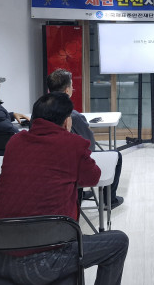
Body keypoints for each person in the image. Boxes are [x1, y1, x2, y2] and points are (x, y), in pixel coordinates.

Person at [0, 92, 128, 285]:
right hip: (43, 261)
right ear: (66, 121)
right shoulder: (72, 144)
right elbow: (93, 177)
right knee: (118, 242)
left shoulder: (15, 142)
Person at [46, 68, 124, 209]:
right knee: (116, 155)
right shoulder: (73, 116)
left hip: (48, 167)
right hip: (71, 167)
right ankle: (109, 201)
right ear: (67, 90)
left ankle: (80, 192)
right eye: (72, 86)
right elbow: (89, 147)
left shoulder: (38, 112)